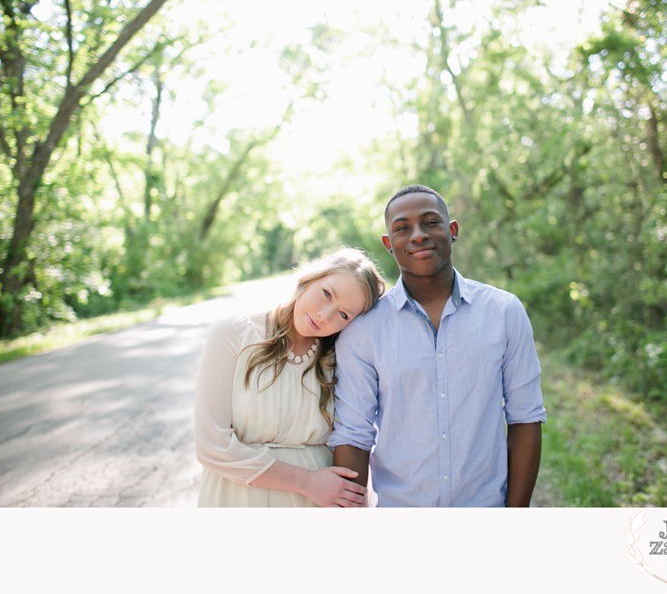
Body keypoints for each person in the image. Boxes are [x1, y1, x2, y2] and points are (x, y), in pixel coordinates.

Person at [329, 185, 546, 507]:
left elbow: (525, 417)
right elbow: (353, 435)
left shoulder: (504, 312)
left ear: (452, 230)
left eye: (430, 222)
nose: (417, 235)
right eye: (403, 228)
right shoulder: (364, 331)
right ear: (389, 244)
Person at [194, 248, 385, 507]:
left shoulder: (339, 359)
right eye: (326, 294)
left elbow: (356, 433)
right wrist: (306, 481)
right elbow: (211, 445)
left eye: (343, 314)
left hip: (314, 502)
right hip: (237, 495)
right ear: (310, 278)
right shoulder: (232, 333)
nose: (324, 315)